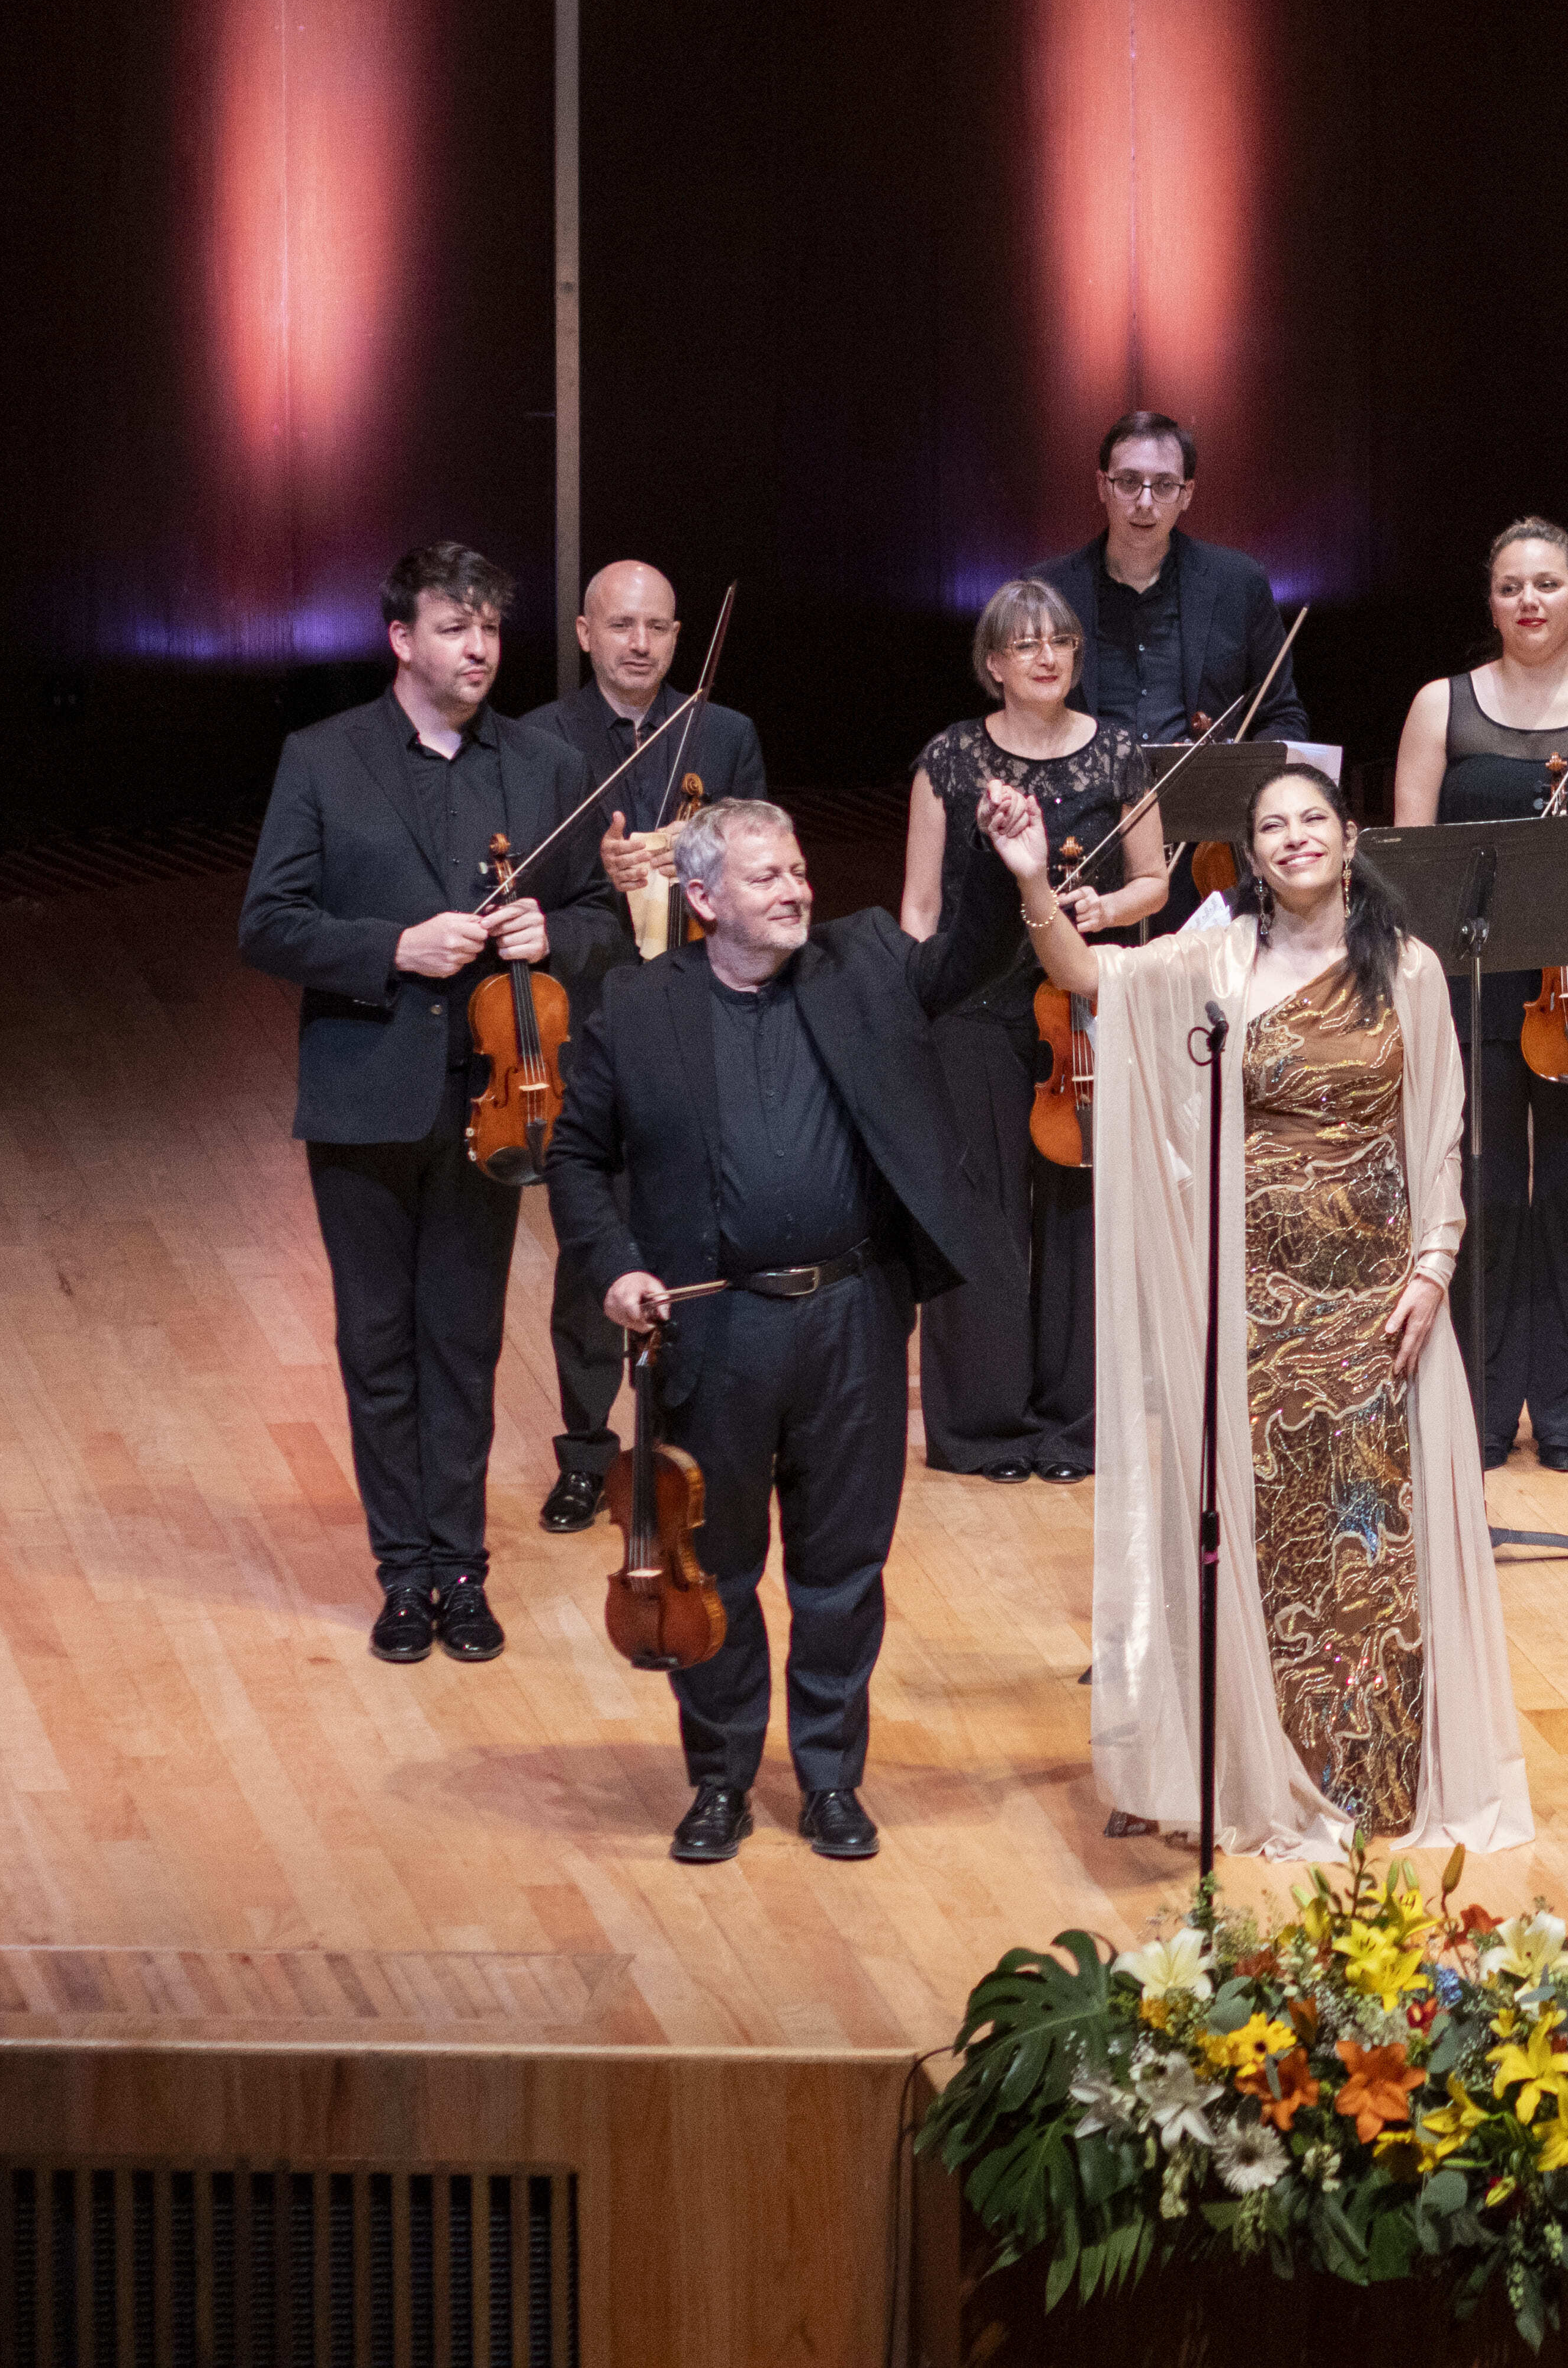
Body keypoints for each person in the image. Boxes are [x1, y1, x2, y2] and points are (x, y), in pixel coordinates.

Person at [992, 767, 1534, 1853]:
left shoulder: (1409, 968)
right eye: (1272, 828)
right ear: (1251, 854)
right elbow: (1089, 975)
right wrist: (1031, 883)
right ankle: (1255, 1762)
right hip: (1253, 1297)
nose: (1294, 839)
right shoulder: (1216, 959)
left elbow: (1439, 1126)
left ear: (1350, 837)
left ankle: (1370, 1779)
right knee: (1268, 1529)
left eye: (1311, 821)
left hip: (1377, 1292)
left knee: (1371, 1538)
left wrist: (1432, 1268)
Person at [548, 796, 1022, 1863]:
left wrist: (1005, 865)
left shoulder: (863, 963)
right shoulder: (638, 1005)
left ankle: (830, 1780)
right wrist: (616, 1266)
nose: (796, 890)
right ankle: (719, 1778)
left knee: (841, 1568)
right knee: (714, 1568)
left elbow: (969, 958)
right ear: (703, 898)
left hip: (851, 1319)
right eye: (767, 878)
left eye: (799, 870)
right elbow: (576, 1156)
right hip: (713, 1329)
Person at [239, 544, 621, 1667]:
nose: (479, 649)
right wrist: (391, 948)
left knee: (462, 1341)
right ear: (402, 640)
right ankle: (402, 1573)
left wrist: (556, 932)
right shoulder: (323, 757)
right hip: (365, 1094)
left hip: (497, 1097)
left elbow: (600, 918)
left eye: (490, 628)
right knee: (378, 1344)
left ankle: (462, 1569)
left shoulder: (544, 765)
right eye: (455, 628)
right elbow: (269, 922)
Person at [1389, 518, 1568, 1470]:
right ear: (1492, 603)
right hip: (1473, 982)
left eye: (1547, 584)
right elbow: (1409, 857)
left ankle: (1563, 1415)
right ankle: (1479, 1413)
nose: (1529, 601)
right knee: (1481, 1196)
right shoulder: (1441, 706)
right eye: (1511, 586)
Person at [901, 579, 1169, 1485]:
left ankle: (1074, 1425)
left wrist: (1107, 907)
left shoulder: (1119, 753)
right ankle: (984, 1428)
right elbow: (920, 907)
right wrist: (912, 1012)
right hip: (974, 1011)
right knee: (980, 1213)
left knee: (1077, 1214)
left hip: (1080, 1008)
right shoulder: (949, 758)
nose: (1046, 656)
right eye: (1025, 644)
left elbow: (1154, 882)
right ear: (994, 664)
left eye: (1059, 640)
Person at [522, 558, 770, 1534]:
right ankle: (587, 1454)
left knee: (704, 1236)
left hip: (704, 1017)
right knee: (594, 1241)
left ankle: (689, 1447)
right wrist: (603, 871)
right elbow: (526, 889)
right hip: (590, 1019)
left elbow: (766, 868)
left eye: (658, 627)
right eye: (620, 625)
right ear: (585, 633)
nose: (639, 642)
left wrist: (693, 857)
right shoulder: (539, 741)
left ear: (676, 638)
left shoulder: (726, 735)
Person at [1025, 409, 1307, 745]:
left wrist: (1241, 769)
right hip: (1084, 779)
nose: (1145, 502)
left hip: (1206, 780)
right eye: (1128, 482)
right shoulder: (1045, 592)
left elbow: (1282, 717)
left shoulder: (1240, 584)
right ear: (1103, 486)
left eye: (1164, 485)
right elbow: (1017, 718)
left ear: (1186, 494)